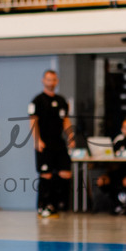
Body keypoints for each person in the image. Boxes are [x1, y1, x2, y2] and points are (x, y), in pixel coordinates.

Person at [29, 70, 72, 218]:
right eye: (48, 79)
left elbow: (65, 120)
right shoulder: (37, 101)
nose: (51, 82)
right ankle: (43, 205)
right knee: (46, 174)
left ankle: (54, 203)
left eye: (53, 80)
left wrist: (71, 137)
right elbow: (33, 121)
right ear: (43, 81)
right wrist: (37, 140)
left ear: (57, 81)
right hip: (44, 143)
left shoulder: (61, 101)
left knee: (65, 173)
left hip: (59, 142)